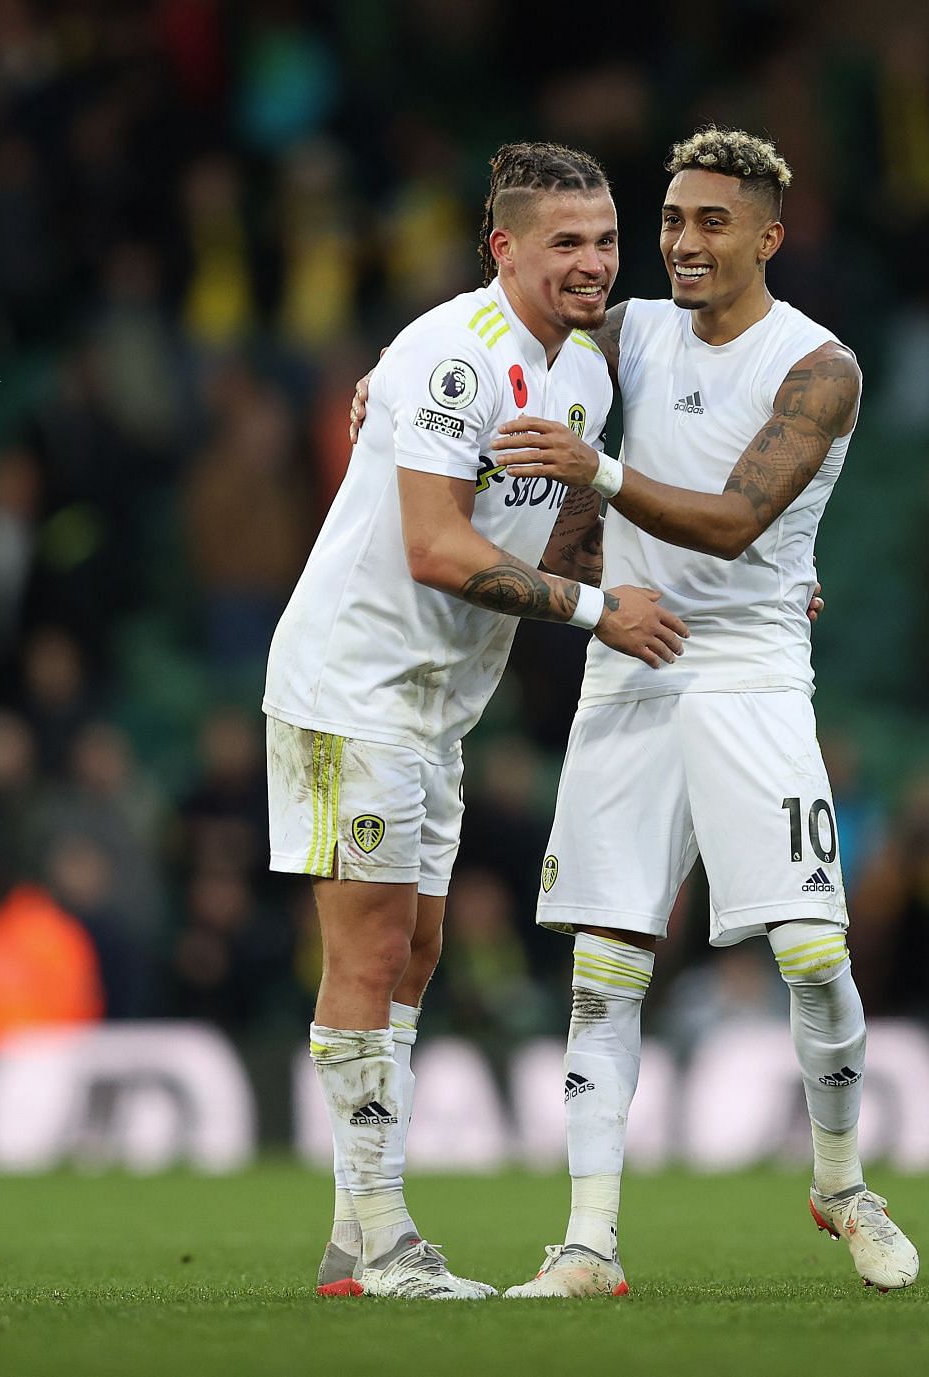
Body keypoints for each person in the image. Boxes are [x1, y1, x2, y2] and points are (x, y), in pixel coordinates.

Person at [461, 126, 919, 1298]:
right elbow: (499, 324)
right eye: (671, 222)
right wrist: (392, 375)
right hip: (632, 660)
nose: (682, 244)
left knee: (814, 955)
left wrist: (598, 476)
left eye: (712, 222)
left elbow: (728, 522)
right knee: (606, 966)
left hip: (752, 667)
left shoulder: (821, 366)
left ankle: (840, 1182)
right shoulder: (629, 331)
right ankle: (588, 1243)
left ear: (771, 234)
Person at [264, 141, 686, 1301]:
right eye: (566, 242)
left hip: (436, 706)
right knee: (365, 952)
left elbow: (550, 531)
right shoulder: (455, 355)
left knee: (420, 946)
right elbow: (437, 548)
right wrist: (600, 612)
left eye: (605, 239)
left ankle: (359, 1241)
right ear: (502, 246)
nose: (594, 262)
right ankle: (384, 1240)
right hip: (354, 686)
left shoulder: (584, 375)